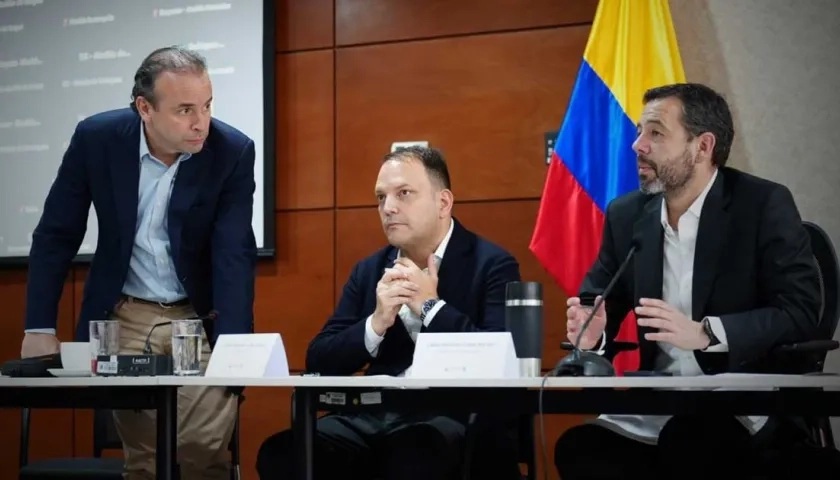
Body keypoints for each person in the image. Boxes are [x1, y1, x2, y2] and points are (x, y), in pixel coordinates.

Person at [552, 83, 824, 479]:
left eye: (656, 133)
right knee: (581, 449)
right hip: (658, 401)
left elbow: (801, 310)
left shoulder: (760, 205)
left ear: (703, 146)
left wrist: (708, 335)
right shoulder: (627, 214)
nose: (637, 145)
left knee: (691, 442)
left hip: (741, 400)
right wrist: (594, 333)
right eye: (640, 132)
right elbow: (599, 299)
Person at [21, 46, 257, 479]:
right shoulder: (97, 139)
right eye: (185, 109)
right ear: (144, 108)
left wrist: (234, 344)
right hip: (123, 315)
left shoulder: (232, 151)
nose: (200, 121)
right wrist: (39, 327)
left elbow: (234, 253)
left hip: (197, 314)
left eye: (206, 106)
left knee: (202, 448)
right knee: (148, 458)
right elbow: (57, 234)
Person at [256, 146, 522, 479]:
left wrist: (430, 307)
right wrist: (376, 323)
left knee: (415, 452)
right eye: (381, 198)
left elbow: (499, 361)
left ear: (443, 203)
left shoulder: (492, 265)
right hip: (374, 413)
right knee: (283, 454)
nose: (388, 208)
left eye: (404, 194)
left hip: (455, 416)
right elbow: (319, 358)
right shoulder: (369, 271)